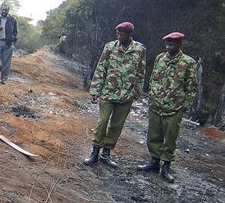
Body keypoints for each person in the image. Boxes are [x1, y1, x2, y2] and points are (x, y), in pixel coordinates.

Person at [84, 22, 146, 167]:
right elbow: (101, 68)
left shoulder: (139, 49)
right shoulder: (110, 46)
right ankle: (94, 153)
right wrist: (95, 90)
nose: (118, 36)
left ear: (129, 34)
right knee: (102, 122)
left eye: (121, 34)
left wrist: (136, 92)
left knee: (116, 126)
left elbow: (141, 72)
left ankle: (106, 153)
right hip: (108, 92)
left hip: (126, 95)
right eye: (117, 33)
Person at [138, 32, 197, 183]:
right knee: (153, 135)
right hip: (156, 105)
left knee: (170, 138)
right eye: (167, 44)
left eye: (172, 44)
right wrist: (151, 95)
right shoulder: (160, 58)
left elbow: (191, 88)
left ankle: (166, 166)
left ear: (179, 45)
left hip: (174, 108)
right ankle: (154, 162)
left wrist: (185, 107)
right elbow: (152, 79)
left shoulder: (188, 62)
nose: (168, 47)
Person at [0, 2, 18, 84]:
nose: (4, 11)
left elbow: (15, 32)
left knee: (6, 62)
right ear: (1, 10)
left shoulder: (12, 20)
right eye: (3, 10)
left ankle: (4, 78)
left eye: (6, 10)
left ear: (9, 11)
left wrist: (13, 40)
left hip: (8, 43)